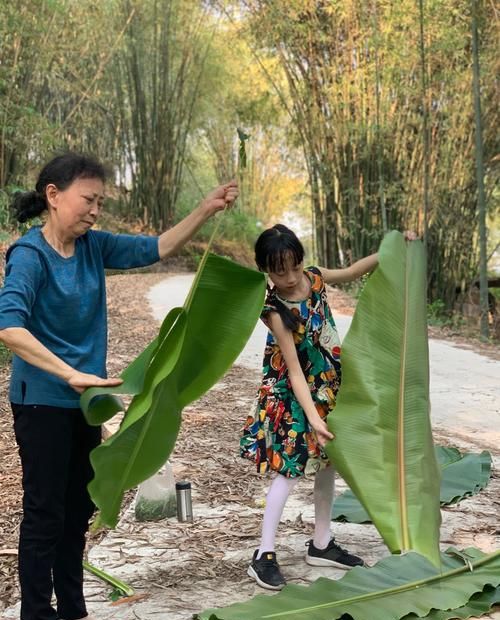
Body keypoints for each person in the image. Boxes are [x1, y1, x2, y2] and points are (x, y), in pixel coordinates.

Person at [0, 152, 238, 620]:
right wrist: (68, 372)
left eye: (100, 203)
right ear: (53, 195)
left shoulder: (94, 246)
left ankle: (72, 607)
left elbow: (157, 248)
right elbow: (10, 327)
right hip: (43, 403)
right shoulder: (29, 256)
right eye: (88, 199)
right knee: (46, 513)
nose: (94, 210)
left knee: (77, 510)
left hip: (86, 404)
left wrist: (205, 209)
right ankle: (35, 612)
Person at [240, 224, 415, 591]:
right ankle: (263, 554)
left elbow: (353, 271)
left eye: (292, 266)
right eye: (277, 271)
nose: (288, 278)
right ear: (265, 271)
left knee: (327, 466)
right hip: (292, 396)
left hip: (329, 389)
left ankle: (321, 543)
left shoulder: (315, 278)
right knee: (288, 472)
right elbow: (293, 370)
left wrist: (396, 248)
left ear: (301, 260)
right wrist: (314, 417)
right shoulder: (274, 309)